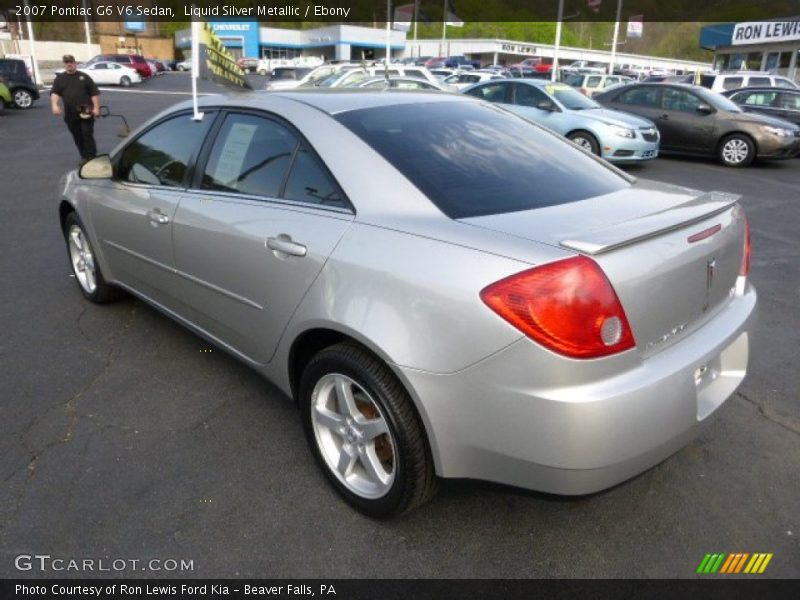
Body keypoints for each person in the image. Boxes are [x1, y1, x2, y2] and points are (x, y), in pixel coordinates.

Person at [51, 54, 101, 164]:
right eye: (66, 62)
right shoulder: (59, 79)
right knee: (77, 136)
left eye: (71, 62)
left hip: (85, 110)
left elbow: (94, 93)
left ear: (75, 63)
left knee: (87, 133)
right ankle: (84, 156)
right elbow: (55, 93)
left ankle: (91, 157)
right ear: (64, 64)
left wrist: (96, 108)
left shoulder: (84, 77)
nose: (69, 64)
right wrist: (55, 105)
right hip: (70, 113)